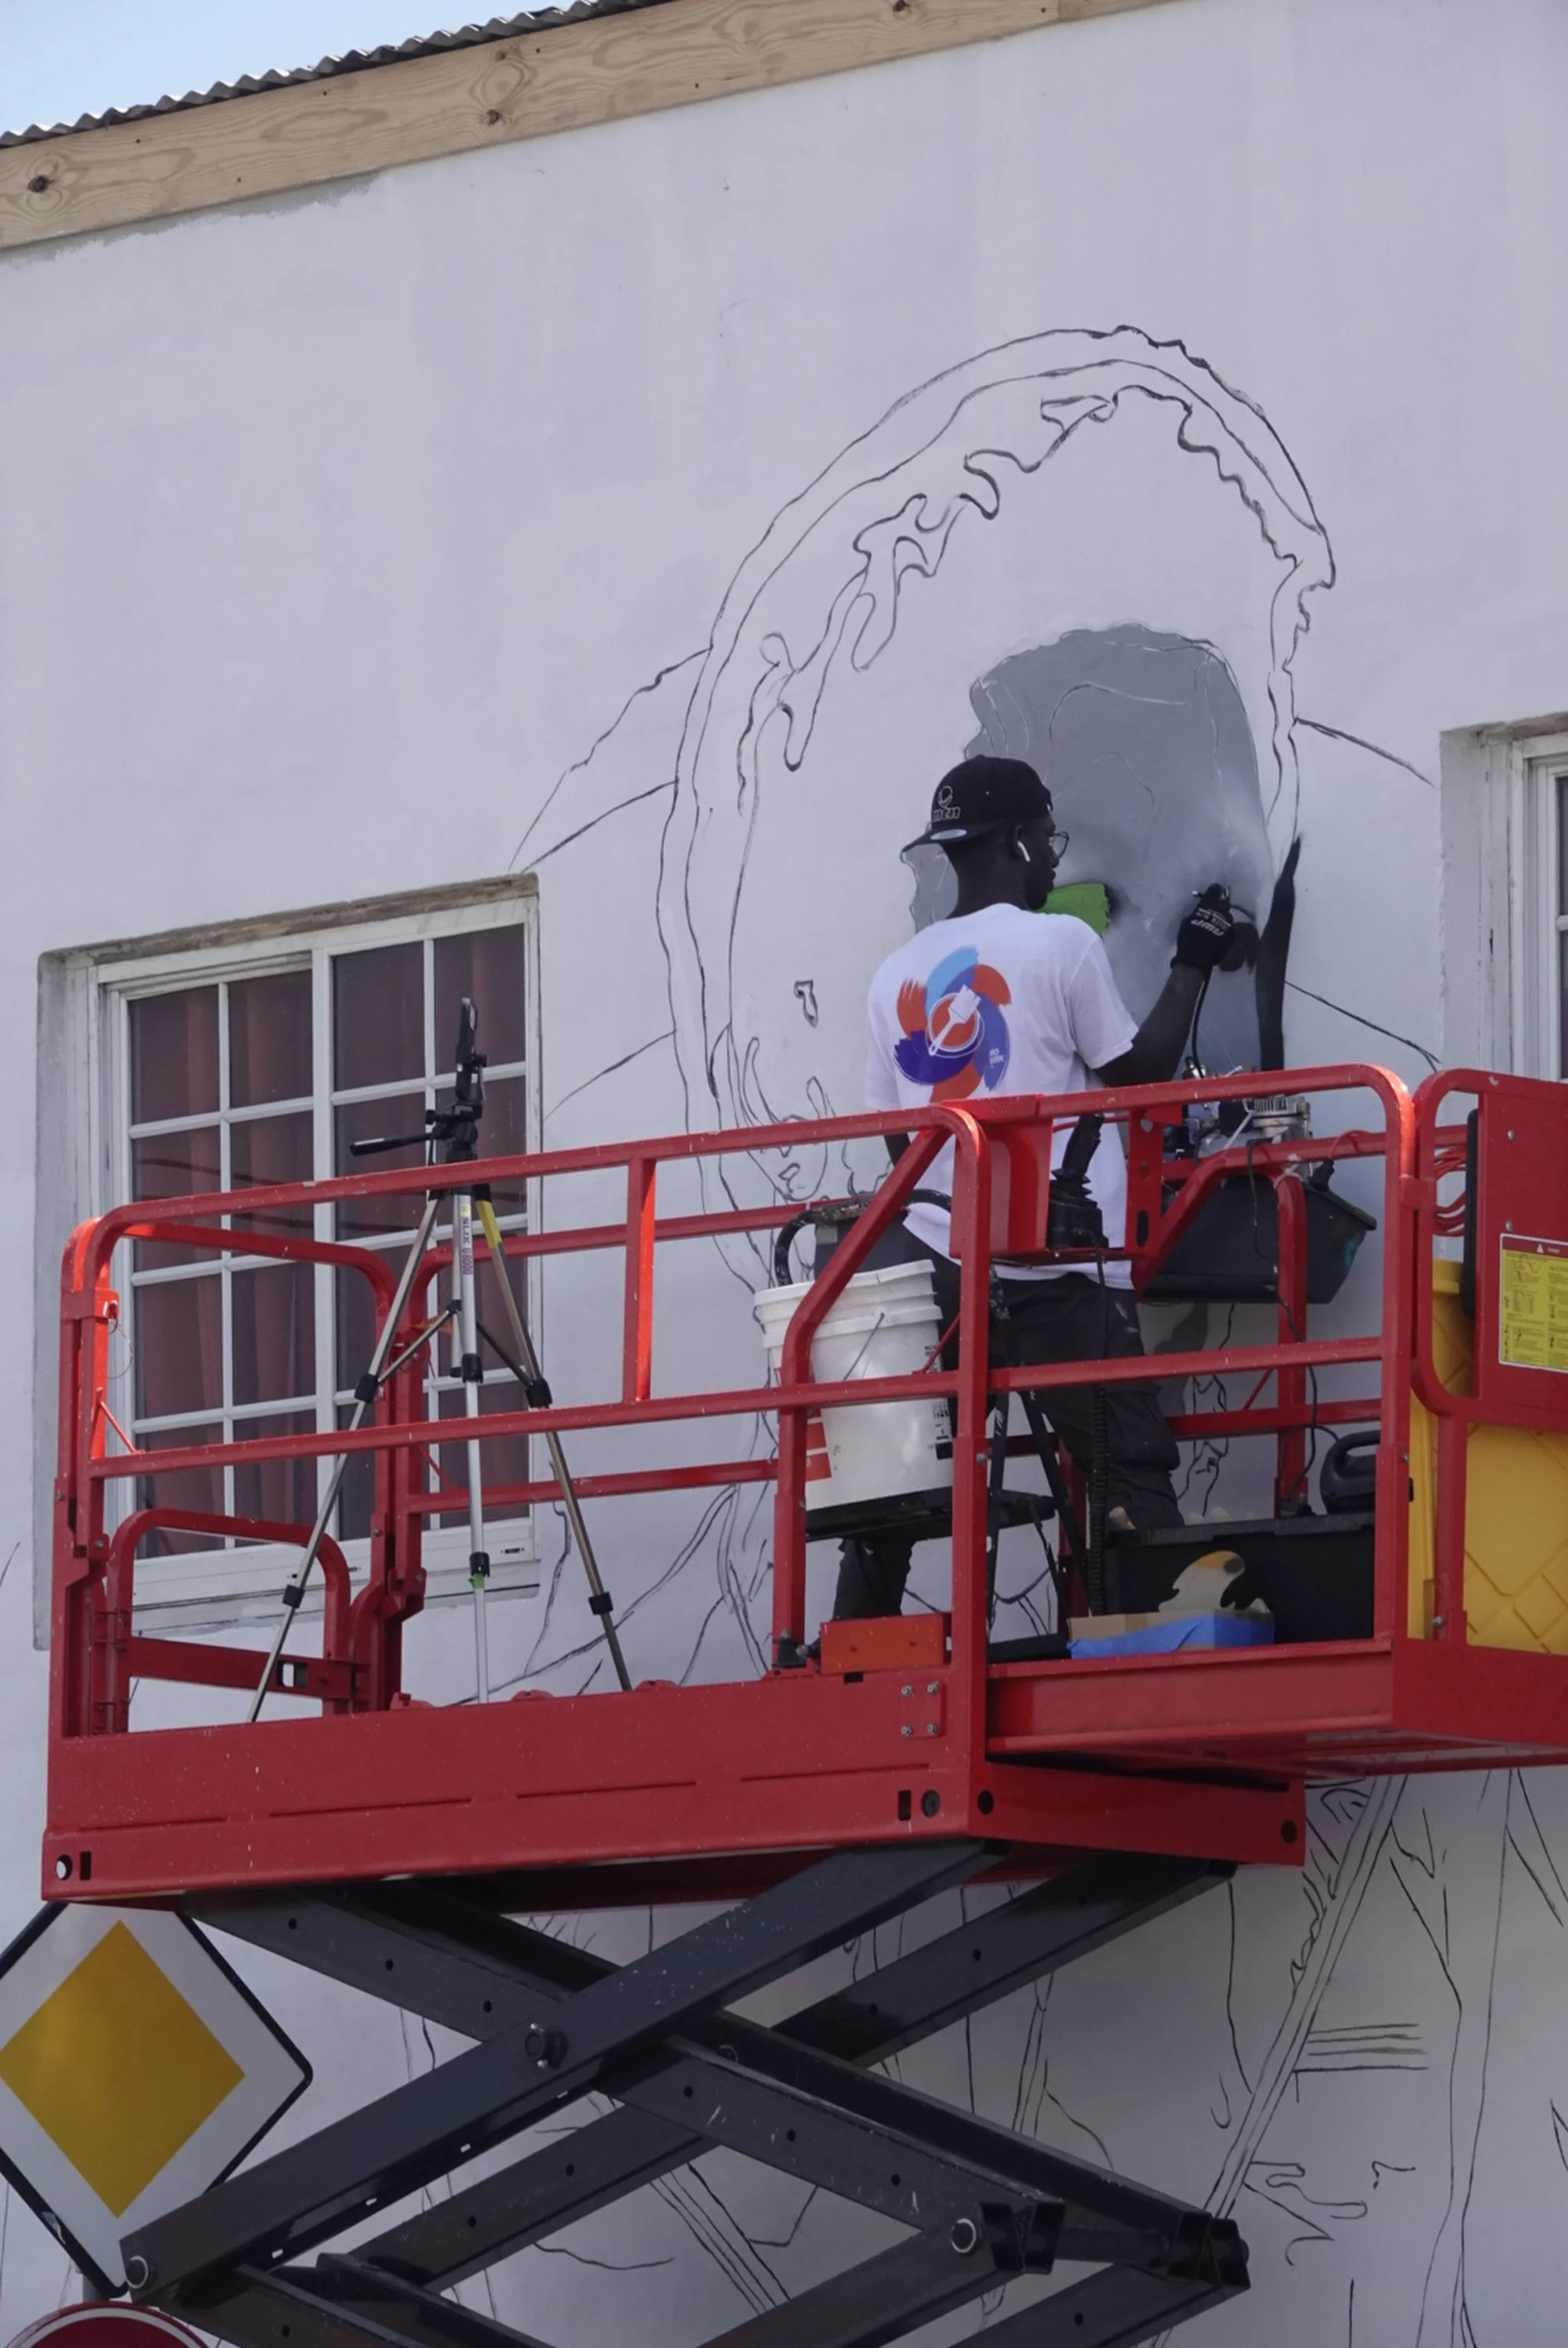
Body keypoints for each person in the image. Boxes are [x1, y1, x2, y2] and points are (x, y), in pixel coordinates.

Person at [833, 752, 1237, 1621]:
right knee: (1124, 1462)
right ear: (1015, 841)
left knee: (895, 1481)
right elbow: (1140, 1075)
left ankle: (855, 1662)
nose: (1056, 857)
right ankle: (1154, 1647)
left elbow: (901, 1142)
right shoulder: (1061, 942)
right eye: (1049, 836)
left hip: (941, 1267)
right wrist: (1192, 963)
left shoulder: (893, 975)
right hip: (1052, 1267)